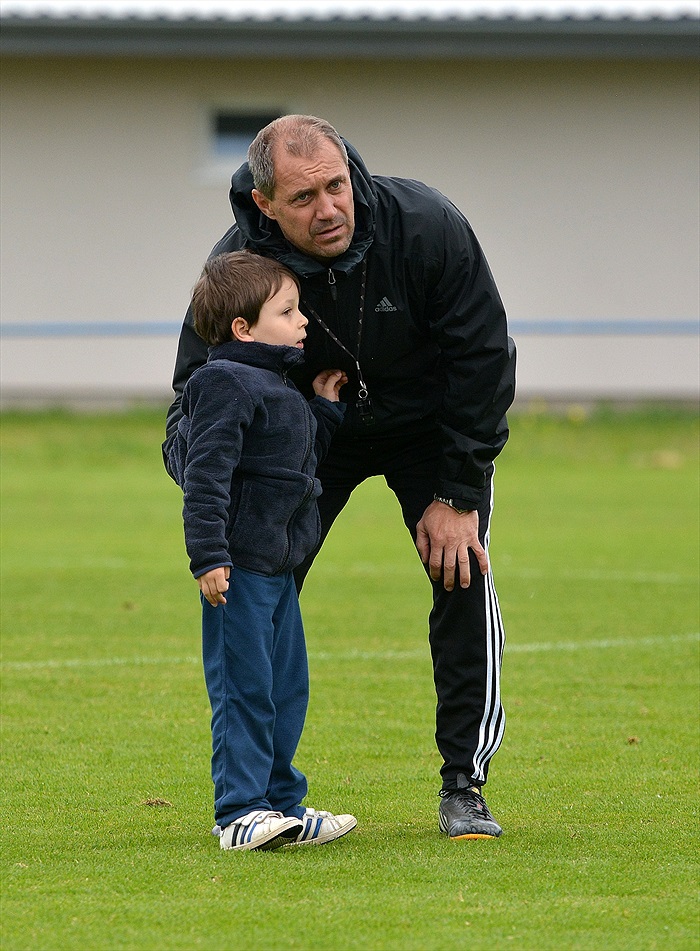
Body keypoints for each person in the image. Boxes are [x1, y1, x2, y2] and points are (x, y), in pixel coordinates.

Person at [164, 115, 516, 841]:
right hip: (303, 435)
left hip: (431, 433)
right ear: (264, 205)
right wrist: (230, 482)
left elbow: (483, 359)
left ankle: (464, 784)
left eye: (336, 185)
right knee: (257, 607)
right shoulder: (237, 269)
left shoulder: (425, 226)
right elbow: (189, 412)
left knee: (463, 571)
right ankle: (257, 801)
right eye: (303, 198)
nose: (328, 208)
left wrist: (457, 493)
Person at [171, 249, 357, 851]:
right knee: (244, 687)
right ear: (243, 329)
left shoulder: (276, 385)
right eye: (288, 311)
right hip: (239, 569)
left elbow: (293, 460)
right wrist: (209, 556)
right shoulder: (221, 381)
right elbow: (207, 475)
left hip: (279, 570)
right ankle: (239, 812)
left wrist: (324, 409)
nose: (303, 321)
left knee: (286, 688)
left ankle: (282, 804)